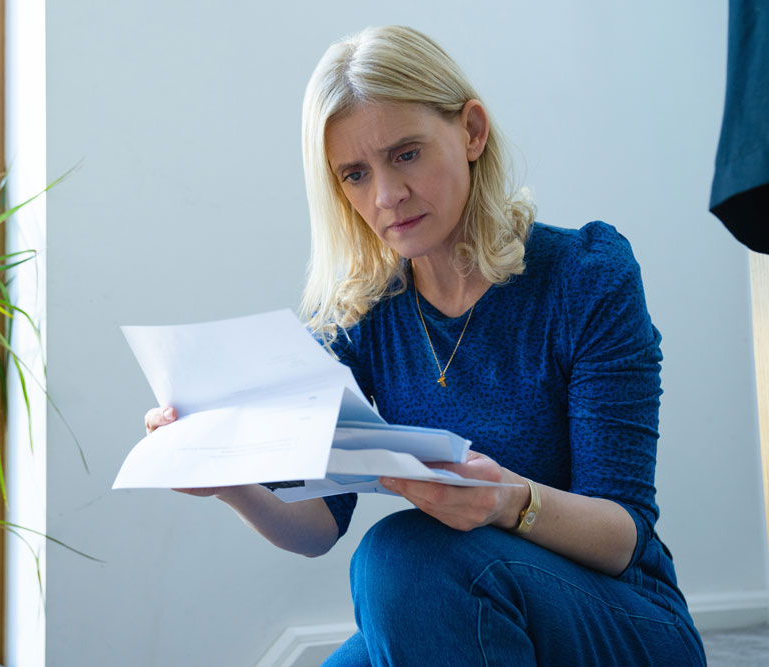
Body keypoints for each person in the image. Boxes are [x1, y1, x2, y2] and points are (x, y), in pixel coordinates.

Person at [145, 25, 705, 666]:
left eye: (406, 154)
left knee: (399, 554)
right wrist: (227, 478)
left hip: (616, 617)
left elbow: (623, 536)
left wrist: (506, 501)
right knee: (399, 580)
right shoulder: (364, 315)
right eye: (355, 174)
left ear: (471, 131)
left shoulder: (585, 275)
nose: (386, 196)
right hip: (452, 604)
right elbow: (317, 528)